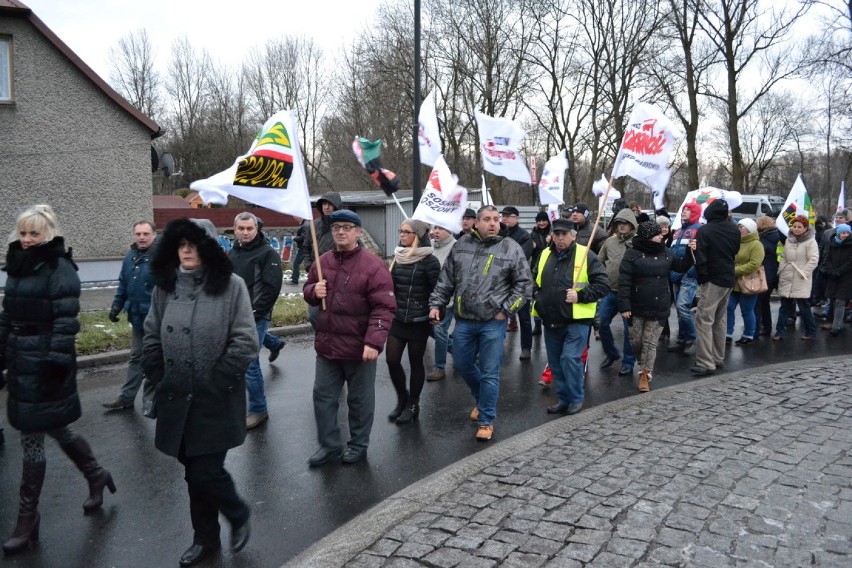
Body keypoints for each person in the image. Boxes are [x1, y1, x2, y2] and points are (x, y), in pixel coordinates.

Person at [1, 205, 116, 556]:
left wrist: (54, 362)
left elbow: (67, 321)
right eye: (22, 233)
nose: (26, 239)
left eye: (33, 233)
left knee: (33, 437)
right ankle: (96, 474)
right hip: (22, 359)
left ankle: (27, 518)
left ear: (47, 234)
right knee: (56, 428)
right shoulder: (19, 266)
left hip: (49, 362)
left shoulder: (59, 267)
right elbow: (7, 315)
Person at [142, 218, 256, 566]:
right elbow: (150, 333)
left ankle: (237, 513)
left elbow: (245, 339)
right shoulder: (166, 286)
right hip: (176, 395)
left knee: (204, 471)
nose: (187, 250)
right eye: (181, 244)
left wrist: (220, 379)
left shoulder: (231, 286)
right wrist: (157, 370)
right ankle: (206, 540)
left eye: (194, 244)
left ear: (207, 248)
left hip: (215, 397)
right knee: (193, 471)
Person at [429, 205, 532, 442]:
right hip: (464, 320)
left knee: (489, 372)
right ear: (476, 223)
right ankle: (481, 397)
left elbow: (525, 285)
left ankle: (486, 419)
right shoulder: (461, 246)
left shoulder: (510, 248)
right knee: (463, 364)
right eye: (487, 219)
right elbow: (446, 281)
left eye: (496, 219)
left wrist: (505, 311)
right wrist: (436, 304)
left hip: (492, 323)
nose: (493, 223)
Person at [303, 210, 395, 466]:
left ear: (358, 232)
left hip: (359, 348)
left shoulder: (373, 266)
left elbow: (384, 307)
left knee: (359, 401)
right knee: (322, 398)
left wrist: (374, 342)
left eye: (346, 227)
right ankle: (330, 445)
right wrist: (313, 290)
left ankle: (358, 445)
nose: (341, 232)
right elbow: (308, 291)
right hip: (327, 347)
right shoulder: (322, 262)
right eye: (336, 228)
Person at [532, 219, 609, 415]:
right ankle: (564, 399)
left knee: (570, 358)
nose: (560, 238)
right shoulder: (544, 255)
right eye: (556, 234)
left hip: (577, 319)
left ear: (573, 236)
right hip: (551, 318)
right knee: (556, 362)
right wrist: (537, 296)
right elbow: (534, 280)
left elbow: (602, 285)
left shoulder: (586, 255)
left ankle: (576, 398)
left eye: (564, 234)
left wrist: (580, 295)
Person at [618, 221, 695, 392]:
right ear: (647, 236)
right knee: (636, 342)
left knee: (649, 343)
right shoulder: (632, 254)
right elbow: (624, 281)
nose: (662, 236)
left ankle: (645, 374)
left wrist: (690, 252)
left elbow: (681, 266)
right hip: (636, 306)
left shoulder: (665, 252)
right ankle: (642, 363)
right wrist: (624, 305)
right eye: (658, 234)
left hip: (659, 305)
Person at [229, 212, 283, 429]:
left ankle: (258, 410)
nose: (245, 232)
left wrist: (254, 314)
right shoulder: (233, 252)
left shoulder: (267, 253)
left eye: (249, 228)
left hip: (255, 317)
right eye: (241, 228)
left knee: (250, 364)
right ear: (235, 229)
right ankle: (275, 343)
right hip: (235, 316)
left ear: (256, 229)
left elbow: (272, 289)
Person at [386, 220, 440, 424]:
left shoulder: (429, 261)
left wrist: (436, 311)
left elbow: (438, 290)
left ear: (417, 235)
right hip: (398, 317)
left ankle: (413, 404)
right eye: (400, 231)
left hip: (419, 319)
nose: (401, 235)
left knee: (415, 361)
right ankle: (402, 398)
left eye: (406, 232)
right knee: (392, 359)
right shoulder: (398, 257)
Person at [102, 220, 158, 410]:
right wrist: (116, 307)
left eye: (145, 234)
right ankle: (126, 398)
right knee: (136, 358)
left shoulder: (162, 258)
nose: (141, 237)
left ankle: (162, 404)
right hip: (137, 318)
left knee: (158, 362)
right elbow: (123, 285)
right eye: (138, 234)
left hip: (157, 323)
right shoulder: (131, 256)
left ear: (154, 235)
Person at [691, 199, 740, 376]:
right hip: (728, 277)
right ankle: (718, 357)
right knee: (720, 320)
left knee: (704, 319)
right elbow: (734, 251)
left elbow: (701, 257)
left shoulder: (705, 230)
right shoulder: (734, 229)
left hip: (712, 279)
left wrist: (702, 278)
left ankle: (705, 361)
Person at [596, 206, 638, 376]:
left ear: (632, 225)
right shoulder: (609, 242)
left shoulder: (638, 242)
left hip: (629, 294)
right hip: (610, 291)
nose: (621, 226)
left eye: (625, 223)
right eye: (619, 222)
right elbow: (599, 261)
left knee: (630, 331)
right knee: (601, 322)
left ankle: (628, 362)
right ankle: (612, 353)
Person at [773, 216, 818, 341]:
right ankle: (779, 332)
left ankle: (811, 331)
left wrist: (804, 273)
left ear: (805, 228)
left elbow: (813, 260)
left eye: (800, 227)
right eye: (795, 226)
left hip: (800, 277)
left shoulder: (811, 242)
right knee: (784, 307)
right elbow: (784, 257)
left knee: (803, 306)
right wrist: (780, 270)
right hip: (787, 276)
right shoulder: (789, 240)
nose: (796, 229)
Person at [667, 203, 702, 356]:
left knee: (682, 307)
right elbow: (672, 252)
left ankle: (692, 339)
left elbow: (700, 254)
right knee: (679, 310)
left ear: (694, 212)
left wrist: (692, 272)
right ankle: (682, 338)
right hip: (675, 274)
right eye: (684, 209)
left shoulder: (699, 230)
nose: (684, 212)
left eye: (688, 210)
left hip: (688, 275)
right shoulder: (677, 232)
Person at [726, 218, 765, 346]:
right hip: (734, 282)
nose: (739, 229)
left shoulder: (756, 244)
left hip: (749, 282)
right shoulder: (736, 242)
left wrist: (734, 270)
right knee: (729, 307)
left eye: (742, 227)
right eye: (738, 226)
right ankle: (727, 333)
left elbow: (754, 264)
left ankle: (748, 334)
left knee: (747, 310)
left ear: (749, 229)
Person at [501, 206, 533, 358]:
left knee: (524, 318)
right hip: (501, 282)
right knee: (499, 316)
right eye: (503, 215)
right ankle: (495, 347)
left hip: (520, 282)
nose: (505, 218)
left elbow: (522, 257)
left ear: (517, 218)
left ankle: (526, 347)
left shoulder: (524, 236)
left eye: (509, 216)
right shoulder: (499, 234)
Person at [427, 225, 456, 381]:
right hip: (430, 298)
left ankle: (439, 367)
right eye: (435, 228)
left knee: (439, 331)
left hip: (446, 299)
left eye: (441, 228)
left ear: (450, 230)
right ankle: (457, 350)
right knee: (429, 330)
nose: (436, 231)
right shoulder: (429, 246)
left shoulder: (455, 247)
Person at [819, 223, 852, 336]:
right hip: (833, 276)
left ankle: (836, 327)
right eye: (843, 233)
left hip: (846, 277)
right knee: (833, 299)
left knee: (840, 301)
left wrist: (839, 271)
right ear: (838, 233)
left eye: (848, 233)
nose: (845, 235)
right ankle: (838, 323)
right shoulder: (833, 243)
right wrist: (831, 270)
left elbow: (850, 262)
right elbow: (827, 257)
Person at [755, 216, 781, 336]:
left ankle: (759, 327)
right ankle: (766, 326)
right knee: (765, 302)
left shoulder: (763, 240)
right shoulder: (777, 236)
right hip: (774, 273)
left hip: (765, 274)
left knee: (759, 303)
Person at [305, 191, 342, 272]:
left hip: (336, 272)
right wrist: (309, 266)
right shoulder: (314, 225)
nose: (326, 207)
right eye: (324, 204)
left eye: (330, 204)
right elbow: (306, 247)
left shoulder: (343, 226)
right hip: (316, 272)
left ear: (336, 206)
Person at [530, 212, 551, 336]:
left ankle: (549, 321)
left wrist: (552, 240)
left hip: (550, 267)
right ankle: (537, 325)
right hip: (536, 268)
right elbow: (528, 251)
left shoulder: (553, 233)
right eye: (539, 221)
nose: (541, 223)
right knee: (536, 297)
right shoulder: (532, 234)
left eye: (544, 220)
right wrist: (531, 246)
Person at [288, 217, 310, 285]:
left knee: (296, 263)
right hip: (305, 247)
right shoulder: (305, 224)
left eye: (296, 217)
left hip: (304, 247)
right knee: (308, 264)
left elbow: (303, 237)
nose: (295, 219)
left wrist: (295, 238)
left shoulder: (305, 225)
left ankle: (295, 280)